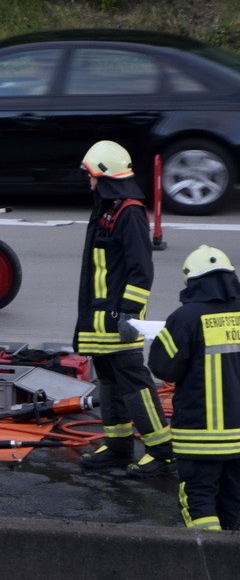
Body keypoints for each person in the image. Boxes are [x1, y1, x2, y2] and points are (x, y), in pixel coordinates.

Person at [75, 140, 173, 476]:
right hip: (99, 320)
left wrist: (129, 314)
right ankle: (118, 447)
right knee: (109, 382)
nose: (88, 181)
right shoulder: (106, 207)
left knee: (134, 383)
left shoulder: (128, 212)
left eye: (90, 175)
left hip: (118, 319)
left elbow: (141, 270)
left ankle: (162, 450)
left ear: (103, 176)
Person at [149, 246, 240, 530]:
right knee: (234, 501)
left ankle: (206, 564)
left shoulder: (186, 318)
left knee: (198, 500)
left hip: (200, 436)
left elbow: (164, 368)